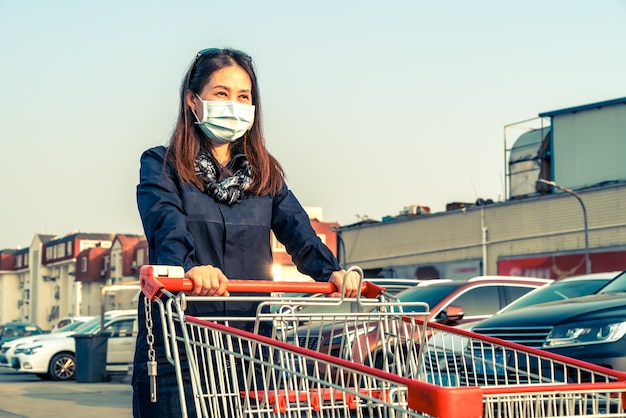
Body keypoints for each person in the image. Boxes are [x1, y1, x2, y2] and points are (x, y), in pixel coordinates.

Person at [132, 47, 359, 417]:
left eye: (244, 96)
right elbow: (166, 225)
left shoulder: (265, 174)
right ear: (193, 100)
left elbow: (298, 230)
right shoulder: (163, 165)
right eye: (221, 93)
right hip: (182, 342)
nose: (234, 104)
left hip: (250, 347)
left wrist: (330, 271)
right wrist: (189, 270)